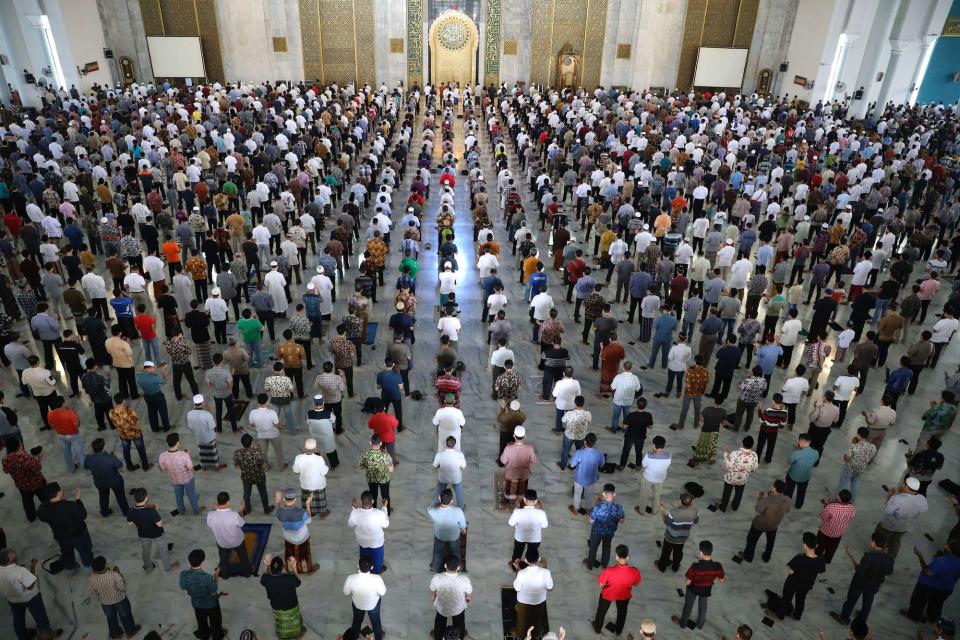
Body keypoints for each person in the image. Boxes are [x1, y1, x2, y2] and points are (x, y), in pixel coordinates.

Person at [831, 531, 894, 625]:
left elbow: (860, 571)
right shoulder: (889, 558)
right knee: (867, 604)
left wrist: (851, 558)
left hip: (860, 583)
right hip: (874, 585)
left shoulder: (868, 557)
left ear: (873, 543)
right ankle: (862, 620)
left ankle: (844, 618)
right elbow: (889, 572)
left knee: (851, 601)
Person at [0, 547, 62, 640]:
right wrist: (33, 567)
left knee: (18, 619)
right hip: (30, 597)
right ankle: (46, 636)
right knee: (40, 616)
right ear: (11, 560)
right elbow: (30, 585)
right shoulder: (20, 570)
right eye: (14, 557)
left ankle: (23, 636)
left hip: (12, 600)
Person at [765, 531, 826, 621]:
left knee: (786, 599)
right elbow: (819, 573)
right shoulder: (820, 560)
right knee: (801, 599)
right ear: (816, 546)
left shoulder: (799, 558)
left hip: (793, 583)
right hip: (806, 585)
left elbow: (791, 572)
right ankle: (797, 616)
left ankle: (780, 616)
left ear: (804, 546)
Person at [36, 483, 93, 571]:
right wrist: (78, 500)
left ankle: (70, 566)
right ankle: (88, 563)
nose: (62, 491)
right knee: (85, 550)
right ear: (58, 493)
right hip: (78, 535)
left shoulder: (43, 509)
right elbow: (83, 515)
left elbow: (42, 518)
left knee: (67, 553)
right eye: (60, 490)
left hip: (61, 537)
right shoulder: (69, 506)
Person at [902, 540, 960, 623]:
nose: (946, 545)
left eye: (948, 546)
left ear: (950, 550)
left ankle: (913, 615)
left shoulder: (941, 561)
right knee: (936, 604)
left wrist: (920, 556)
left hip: (928, 585)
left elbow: (928, 572)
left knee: (918, 601)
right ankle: (933, 619)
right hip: (946, 588)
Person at [674, 540, 725, 630]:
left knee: (688, 607)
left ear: (701, 553)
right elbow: (722, 580)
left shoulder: (695, 566)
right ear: (711, 552)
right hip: (706, 589)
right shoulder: (717, 566)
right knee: (703, 607)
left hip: (693, 589)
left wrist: (686, 579)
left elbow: (688, 582)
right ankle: (700, 625)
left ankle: (683, 624)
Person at [592, 544, 641, 635]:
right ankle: (618, 631)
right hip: (624, 595)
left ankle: (597, 628)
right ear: (628, 557)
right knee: (622, 613)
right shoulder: (635, 571)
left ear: (616, 557)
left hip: (608, 594)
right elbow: (636, 584)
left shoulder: (608, 571)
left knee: (601, 612)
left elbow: (600, 584)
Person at [737, 479, 791, 562]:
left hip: (759, 525)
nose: (771, 486)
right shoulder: (787, 499)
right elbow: (787, 510)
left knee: (751, 541)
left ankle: (748, 556)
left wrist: (760, 498)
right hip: (773, 526)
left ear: (774, 489)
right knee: (770, 543)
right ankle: (766, 557)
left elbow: (756, 512)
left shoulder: (766, 500)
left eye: (772, 485)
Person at [87, 556, 141, 639]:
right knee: (125, 616)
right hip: (120, 600)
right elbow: (122, 588)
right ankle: (130, 632)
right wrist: (119, 574)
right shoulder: (114, 575)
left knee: (111, 619)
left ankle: (116, 634)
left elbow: (93, 591)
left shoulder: (91, 578)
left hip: (105, 603)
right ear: (105, 566)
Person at [874, 477, 929, 558]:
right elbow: (924, 509)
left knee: (880, 539)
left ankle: (875, 556)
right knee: (895, 541)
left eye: (903, 484)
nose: (901, 485)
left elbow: (888, 511)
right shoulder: (922, 498)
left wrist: (890, 496)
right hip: (905, 526)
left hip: (889, 525)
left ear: (906, 487)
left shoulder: (897, 499)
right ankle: (890, 559)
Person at [126, 487, 178, 572]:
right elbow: (159, 524)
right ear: (146, 497)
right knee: (163, 551)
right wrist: (156, 511)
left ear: (134, 498)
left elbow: (130, 523)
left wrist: (140, 524)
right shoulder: (152, 511)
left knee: (146, 551)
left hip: (142, 534)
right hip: (157, 534)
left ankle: (148, 567)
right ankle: (168, 567)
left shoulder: (130, 511)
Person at [179, 549, 226, 640]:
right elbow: (213, 592)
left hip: (196, 604)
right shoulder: (207, 578)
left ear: (190, 562)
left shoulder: (183, 574)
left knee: (201, 622)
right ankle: (217, 636)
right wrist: (216, 575)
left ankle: (204, 634)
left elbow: (183, 587)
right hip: (211, 604)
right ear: (202, 562)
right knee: (215, 622)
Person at [206, 491, 251, 578]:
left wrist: (215, 509)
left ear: (218, 502)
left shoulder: (211, 515)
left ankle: (225, 575)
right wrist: (241, 510)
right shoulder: (234, 515)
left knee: (223, 560)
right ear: (228, 502)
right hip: (237, 542)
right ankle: (247, 573)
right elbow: (242, 524)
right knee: (243, 558)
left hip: (222, 543)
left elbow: (209, 524)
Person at [260, 554, 304, 640]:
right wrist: (294, 568)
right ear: (283, 567)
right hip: (291, 605)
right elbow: (298, 582)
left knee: (281, 622)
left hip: (276, 605)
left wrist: (267, 565)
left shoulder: (266, 579)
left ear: (271, 568)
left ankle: (283, 635)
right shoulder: (289, 578)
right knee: (294, 619)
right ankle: (297, 633)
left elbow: (264, 576)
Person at [275, 488, 318, 575]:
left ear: (284, 499)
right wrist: (308, 505)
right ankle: (307, 569)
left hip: (288, 538)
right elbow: (309, 521)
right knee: (305, 554)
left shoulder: (280, 512)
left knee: (289, 553)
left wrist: (278, 503)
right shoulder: (301, 512)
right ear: (295, 499)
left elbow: (278, 519)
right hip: (302, 538)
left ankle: (290, 568)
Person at [343, 557, 387, 640]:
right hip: (373, 605)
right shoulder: (377, 578)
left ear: (358, 566)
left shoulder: (350, 578)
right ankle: (378, 637)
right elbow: (383, 593)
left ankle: (354, 636)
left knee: (357, 621)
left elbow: (346, 592)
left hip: (357, 604)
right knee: (376, 622)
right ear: (372, 567)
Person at [429, 555, 472, 640]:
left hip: (442, 607)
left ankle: (438, 636)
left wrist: (434, 596)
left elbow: (433, 590)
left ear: (445, 565)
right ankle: (460, 636)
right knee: (459, 623)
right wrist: (468, 598)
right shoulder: (464, 579)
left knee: (439, 623)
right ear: (458, 567)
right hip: (458, 608)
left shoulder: (437, 578)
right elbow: (469, 593)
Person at [83, 437, 129, 516]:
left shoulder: (88, 458)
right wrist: (114, 456)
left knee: (103, 497)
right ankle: (126, 512)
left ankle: (104, 512)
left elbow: (86, 467)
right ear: (103, 448)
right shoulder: (110, 457)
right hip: (115, 481)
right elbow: (119, 465)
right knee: (121, 497)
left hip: (100, 482)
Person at [513, 551, 553, 639]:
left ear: (526, 560)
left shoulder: (521, 573)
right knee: (538, 618)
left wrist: (517, 570)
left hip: (523, 602)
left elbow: (517, 588)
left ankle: (520, 633)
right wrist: (545, 567)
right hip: (540, 601)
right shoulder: (546, 572)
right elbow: (550, 588)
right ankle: (537, 632)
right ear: (539, 559)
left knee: (522, 620)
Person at [348, 491, 390, 575]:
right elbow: (386, 524)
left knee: (364, 557)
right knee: (378, 558)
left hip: (362, 542)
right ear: (373, 501)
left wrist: (354, 508)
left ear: (361, 502)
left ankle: (366, 569)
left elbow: (350, 524)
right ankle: (376, 571)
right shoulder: (379, 513)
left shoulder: (355, 513)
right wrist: (384, 507)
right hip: (377, 542)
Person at [657, 493, 700, 573]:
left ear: (680, 501)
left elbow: (666, 522)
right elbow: (696, 521)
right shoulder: (695, 511)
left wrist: (662, 510)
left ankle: (662, 567)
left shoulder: (673, 512)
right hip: (683, 537)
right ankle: (675, 567)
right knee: (678, 553)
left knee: (666, 552)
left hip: (670, 537)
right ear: (690, 503)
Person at [587, 483, 625, 570]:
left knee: (593, 548)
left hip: (597, 531)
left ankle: (590, 565)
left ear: (603, 493)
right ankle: (604, 565)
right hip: (610, 532)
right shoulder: (619, 507)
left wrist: (596, 504)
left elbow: (591, 521)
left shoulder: (598, 507)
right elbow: (622, 521)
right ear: (614, 494)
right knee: (607, 548)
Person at [427, 488, 467, 573]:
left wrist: (436, 500)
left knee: (438, 553)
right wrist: (463, 529)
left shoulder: (433, 511)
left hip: (439, 536)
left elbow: (429, 507)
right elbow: (463, 525)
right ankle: (455, 567)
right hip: (453, 537)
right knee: (455, 552)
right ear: (451, 501)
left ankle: (436, 568)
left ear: (439, 498)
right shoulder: (458, 511)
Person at [509, 489, 549, 570]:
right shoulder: (541, 513)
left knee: (517, 553)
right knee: (532, 555)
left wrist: (516, 509)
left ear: (524, 499)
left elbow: (511, 523)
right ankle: (530, 567)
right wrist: (541, 509)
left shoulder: (518, 512)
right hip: (535, 539)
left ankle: (515, 567)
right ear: (536, 501)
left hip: (520, 537)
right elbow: (545, 525)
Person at [719, 436, 759, 512]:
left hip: (731, 478)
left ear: (742, 443)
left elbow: (728, 465)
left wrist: (726, 453)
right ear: (752, 445)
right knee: (739, 493)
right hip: (743, 478)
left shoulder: (735, 453)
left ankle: (723, 507)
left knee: (727, 492)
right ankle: (735, 507)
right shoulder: (754, 455)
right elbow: (755, 468)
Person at [293, 438, 330, 519]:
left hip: (305, 485)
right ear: (315, 448)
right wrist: (323, 458)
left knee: (308, 499)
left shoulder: (298, 457)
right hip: (318, 485)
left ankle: (311, 512)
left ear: (305, 447)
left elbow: (295, 470)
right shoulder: (319, 459)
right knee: (320, 501)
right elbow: (324, 472)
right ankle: (322, 514)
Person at [568, 432, 604, 514]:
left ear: (585, 442)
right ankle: (588, 509)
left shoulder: (579, 453)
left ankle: (576, 509)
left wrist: (581, 449)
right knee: (589, 494)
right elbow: (602, 465)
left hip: (579, 478)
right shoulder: (599, 454)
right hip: (591, 478)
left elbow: (572, 464)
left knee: (577, 494)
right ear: (595, 442)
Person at [817, 490, 857, 563]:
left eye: (838, 496)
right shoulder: (852, 508)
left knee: (820, 546)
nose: (837, 496)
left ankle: (817, 557)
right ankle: (827, 560)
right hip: (838, 534)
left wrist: (826, 505)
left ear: (840, 499)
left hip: (825, 532)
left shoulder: (831, 507)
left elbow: (823, 517)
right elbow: (851, 519)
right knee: (832, 549)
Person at [635, 436, 670, 516]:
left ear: (654, 445)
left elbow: (643, 465)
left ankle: (641, 510)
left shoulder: (649, 455)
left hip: (648, 478)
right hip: (660, 479)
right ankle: (655, 511)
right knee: (657, 495)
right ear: (663, 446)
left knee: (644, 494)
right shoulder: (668, 456)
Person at [500, 426, 537, 503]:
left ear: (514, 435)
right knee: (522, 488)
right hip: (524, 475)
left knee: (509, 488)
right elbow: (533, 461)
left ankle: (506, 500)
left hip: (511, 475)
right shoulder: (530, 448)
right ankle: (521, 500)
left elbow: (503, 461)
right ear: (524, 436)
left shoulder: (508, 448)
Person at [784, 433, 820, 509]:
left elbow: (789, 461)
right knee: (801, 492)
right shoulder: (816, 452)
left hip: (793, 475)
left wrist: (798, 450)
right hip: (805, 477)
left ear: (800, 442)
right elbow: (814, 461)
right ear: (810, 441)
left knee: (788, 490)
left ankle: (786, 504)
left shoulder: (797, 453)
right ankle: (798, 505)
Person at [617, 396, 651, 469]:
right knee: (639, 451)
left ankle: (622, 466)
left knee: (626, 451)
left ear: (637, 405)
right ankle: (638, 466)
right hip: (641, 436)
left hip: (630, 436)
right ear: (645, 406)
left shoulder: (631, 415)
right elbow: (650, 426)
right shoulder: (648, 415)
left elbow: (624, 427)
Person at [434, 435, 467, 510]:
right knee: (459, 493)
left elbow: (434, 466)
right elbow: (464, 467)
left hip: (443, 478)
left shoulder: (439, 454)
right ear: (454, 444)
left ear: (446, 443)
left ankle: (438, 504)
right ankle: (461, 507)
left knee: (439, 491)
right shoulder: (460, 455)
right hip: (455, 478)